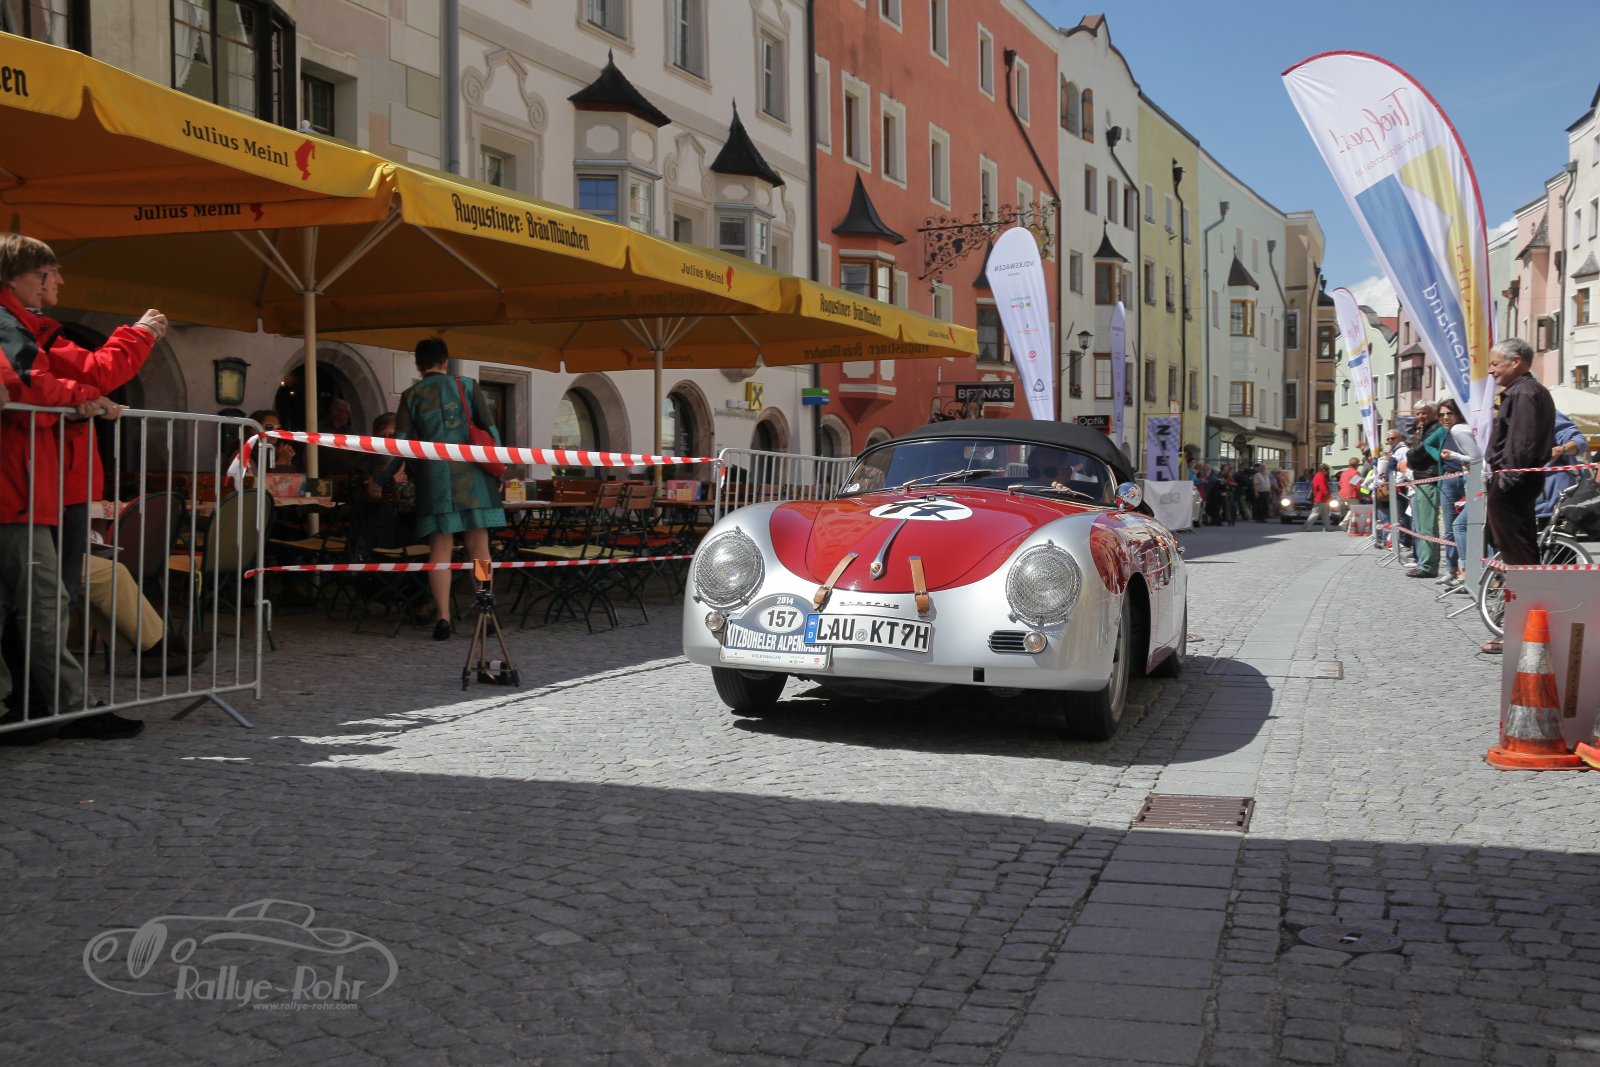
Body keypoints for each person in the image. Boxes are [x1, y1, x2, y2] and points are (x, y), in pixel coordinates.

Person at [0, 234, 157, 741]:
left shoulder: (27, 327)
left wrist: (76, 402)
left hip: (34, 488)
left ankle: (39, 704)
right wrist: (86, 397)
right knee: (45, 601)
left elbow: (39, 389)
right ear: (17, 278)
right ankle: (64, 705)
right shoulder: (10, 325)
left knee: (41, 600)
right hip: (20, 489)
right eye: (47, 273)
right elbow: (27, 386)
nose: (58, 281)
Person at [383, 338, 505, 640]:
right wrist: (499, 466)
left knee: (440, 552)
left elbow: (401, 442)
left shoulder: (411, 395)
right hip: (475, 478)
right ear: (445, 362)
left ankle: (443, 618)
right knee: (480, 550)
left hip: (437, 481)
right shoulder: (468, 385)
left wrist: (381, 476)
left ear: (418, 365)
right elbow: (490, 430)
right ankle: (485, 610)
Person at [1483, 338, 1556, 654]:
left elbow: (1522, 442)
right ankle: (1529, 629)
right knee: (1520, 556)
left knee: (1519, 559)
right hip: (1516, 480)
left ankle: (1525, 631)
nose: (1491, 370)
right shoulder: (1525, 391)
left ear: (1516, 362)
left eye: (1495, 363)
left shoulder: (1524, 392)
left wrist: (1507, 479)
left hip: (1512, 482)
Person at [1436, 398, 1481, 589]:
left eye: (1449, 413)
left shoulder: (1458, 430)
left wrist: (1452, 455)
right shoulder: (1455, 430)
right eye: (1441, 415)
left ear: (1459, 413)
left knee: (1459, 526)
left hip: (1478, 483)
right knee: (1466, 527)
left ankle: (1466, 574)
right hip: (1471, 482)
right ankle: (1462, 572)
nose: (1445, 418)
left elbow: (1476, 458)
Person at [1404, 404, 1447, 578]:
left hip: (1428, 479)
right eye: (1418, 413)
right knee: (1422, 526)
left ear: (1433, 413)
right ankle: (1425, 563)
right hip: (1423, 479)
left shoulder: (1434, 429)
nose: (1421, 416)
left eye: (1424, 413)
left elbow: (1415, 455)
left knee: (1427, 526)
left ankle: (1428, 566)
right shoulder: (1426, 430)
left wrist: (1411, 455)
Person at [1304, 463, 1334, 530]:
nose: (1327, 473)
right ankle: (1307, 526)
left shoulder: (1318, 476)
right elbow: (1323, 488)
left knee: (1325, 514)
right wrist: (1329, 497)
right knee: (1315, 513)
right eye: (1327, 471)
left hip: (1320, 498)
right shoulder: (1321, 477)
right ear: (1324, 470)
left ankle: (1328, 527)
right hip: (1321, 498)